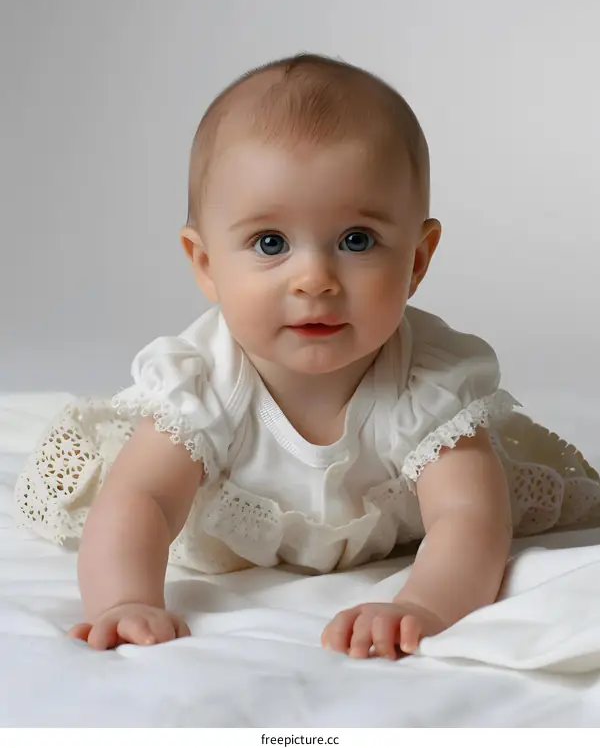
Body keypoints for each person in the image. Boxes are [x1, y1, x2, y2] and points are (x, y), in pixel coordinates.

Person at [15, 53, 600, 658]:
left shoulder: (428, 381)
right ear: (206, 264)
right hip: (227, 537)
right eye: (271, 243)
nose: (315, 279)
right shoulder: (203, 381)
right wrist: (123, 600)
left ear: (417, 261)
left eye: (357, 240)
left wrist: (422, 603)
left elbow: (470, 520)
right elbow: (143, 500)